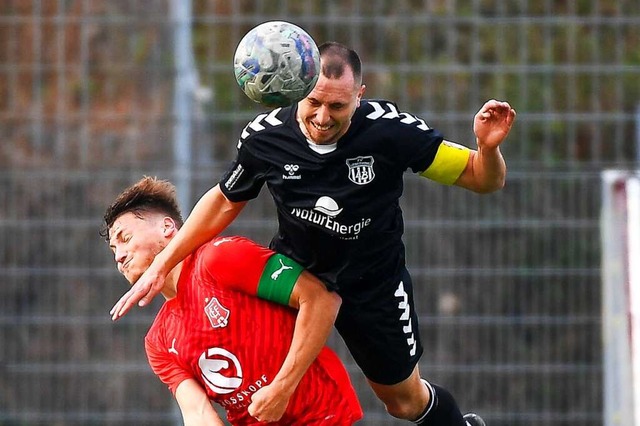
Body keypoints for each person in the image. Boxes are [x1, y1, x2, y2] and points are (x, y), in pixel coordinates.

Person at [110, 42, 516, 426]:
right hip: (296, 265)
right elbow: (224, 200)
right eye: (314, 103)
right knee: (247, 353)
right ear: (297, 90)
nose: (323, 118)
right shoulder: (265, 136)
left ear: (361, 94)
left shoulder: (392, 131)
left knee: (404, 402)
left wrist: (487, 149)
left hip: (372, 280)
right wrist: (163, 262)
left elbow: (481, 179)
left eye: (338, 106)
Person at [101, 176, 363, 425]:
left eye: (125, 239)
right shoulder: (158, 341)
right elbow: (198, 414)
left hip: (321, 415)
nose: (119, 256)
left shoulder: (219, 259)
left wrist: (282, 387)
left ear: (167, 227)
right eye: (114, 250)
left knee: (403, 404)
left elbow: (320, 299)